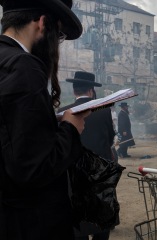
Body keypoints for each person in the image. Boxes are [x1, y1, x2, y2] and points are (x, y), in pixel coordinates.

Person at [0, 1, 89, 239]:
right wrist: (71, 127)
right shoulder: (24, 67)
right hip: (26, 224)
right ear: (42, 23)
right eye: (58, 34)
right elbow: (34, 168)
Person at [57, 71, 117, 240]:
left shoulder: (62, 113)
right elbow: (111, 137)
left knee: (78, 226)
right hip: (100, 173)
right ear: (91, 91)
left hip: (74, 175)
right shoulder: (106, 110)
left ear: (75, 91)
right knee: (101, 223)